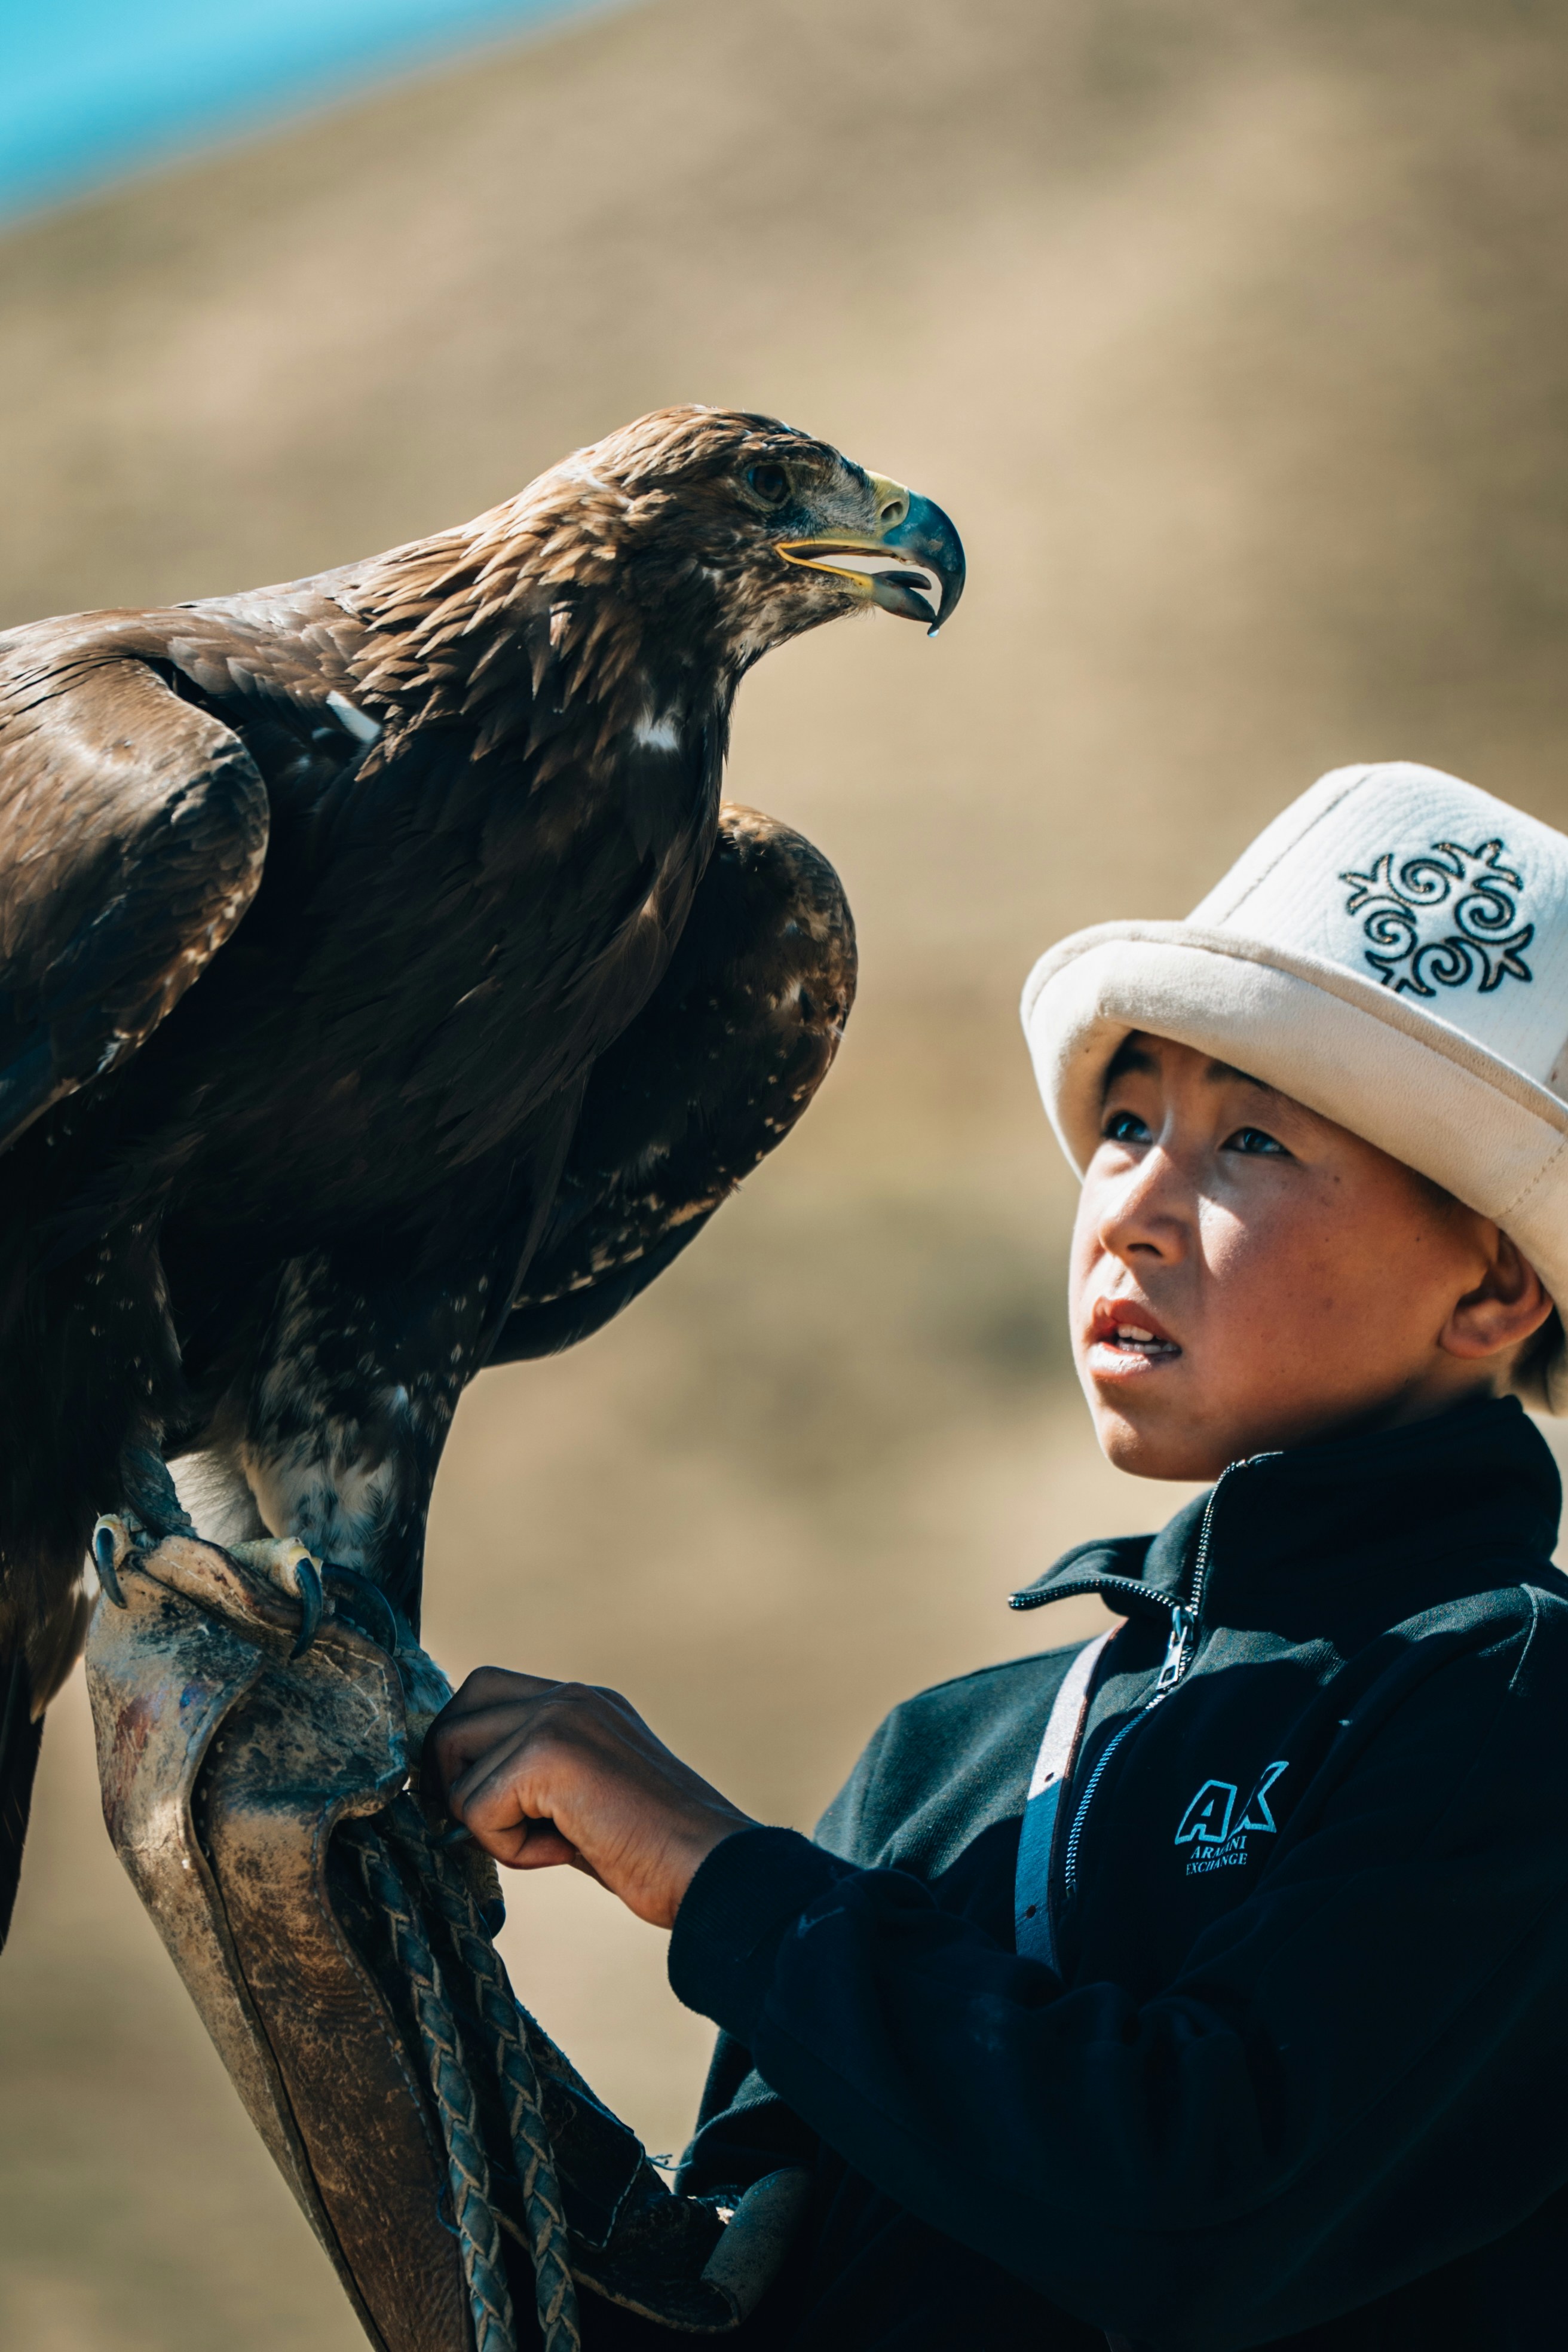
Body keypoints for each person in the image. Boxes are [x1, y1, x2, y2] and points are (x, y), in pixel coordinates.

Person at [431, 761, 1568, 2350]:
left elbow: (1195, 2209)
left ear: (1494, 1293)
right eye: (1126, 1122)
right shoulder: (948, 1758)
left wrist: (711, 1871)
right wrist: (399, 1971)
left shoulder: (1511, 1697)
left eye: (1251, 1143)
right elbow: (729, 2305)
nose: (1133, 1211)